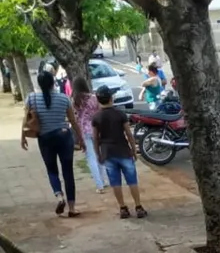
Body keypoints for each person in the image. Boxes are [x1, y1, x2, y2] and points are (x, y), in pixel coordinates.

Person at [20, 71, 85, 217]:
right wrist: (80, 138)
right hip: (64, 136)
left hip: (45, 138)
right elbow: (73, 121)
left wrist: (22, 136)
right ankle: (72, 208)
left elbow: (26, 119)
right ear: (53, 82)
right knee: (68, 172)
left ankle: (59, 196)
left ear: (39, 83)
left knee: (51, 170)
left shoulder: (32, 98)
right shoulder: (64, 98)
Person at [92, 86, 146, 219]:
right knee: (132, 180)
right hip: (123, 150)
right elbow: (128, 133)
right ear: (111, 98)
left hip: (107, 153)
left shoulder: (96, 117)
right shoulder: (120, 114)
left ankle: (122, 207)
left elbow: (95, 138)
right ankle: (138, 206)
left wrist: (97, 154)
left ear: (98, 100)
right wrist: (134, 149)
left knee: (115, 182)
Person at [72, 76, 108, 194]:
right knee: (100, 154)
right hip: (97, 128)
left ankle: (99, 185)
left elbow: (75, 118)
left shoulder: (75, 101)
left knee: (91, 157)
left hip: (84, 130)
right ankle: (103, 180)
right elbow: (100, 112)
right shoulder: (94, 98)